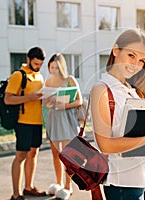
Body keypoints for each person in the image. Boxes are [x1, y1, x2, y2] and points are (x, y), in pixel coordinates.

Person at [90, 28, 145, 200]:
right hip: (123, 183)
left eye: (141, 60)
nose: (135, 65)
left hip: (144, 178)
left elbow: (132, 136)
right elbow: (106, 145)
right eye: (131, 55)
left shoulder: (132, 91)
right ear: (116, 50)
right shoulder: (101, 90)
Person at [5, 47, 46, 200]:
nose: (38, 67)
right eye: (35, 64)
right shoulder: (18, 75)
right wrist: (30, 97)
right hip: (23, 122)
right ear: (28, 59)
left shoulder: (39, 76)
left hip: (37, 122)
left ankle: (28, 187)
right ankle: (16, 194)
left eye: (40, 64)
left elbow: (38, 98)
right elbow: (8, 99)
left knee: (33, 154)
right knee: (21, 156)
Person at [43, 53, 83, 199]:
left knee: (67, 156)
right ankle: (59, 183)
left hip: (67, 119)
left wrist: (64, 104)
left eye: (56, 67)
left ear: (61, 67)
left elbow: (79, 101)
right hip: (54, 118)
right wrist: (49, 100)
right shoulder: (48, 82)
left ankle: (68, 186)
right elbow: (46, 104)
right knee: (56, 154)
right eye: (51, 67)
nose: (53, 70)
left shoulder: (70, 79)